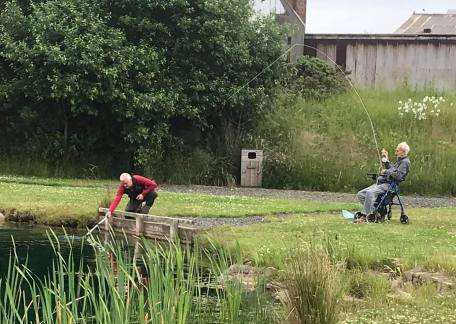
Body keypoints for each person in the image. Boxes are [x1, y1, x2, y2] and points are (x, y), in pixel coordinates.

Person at [355, 142, 411, 223]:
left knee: (370, 193)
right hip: (381, 183)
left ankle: (364, 216)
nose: (395, 153)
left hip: (389, 185)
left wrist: (386, 171)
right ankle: (375, 212)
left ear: (403, 152)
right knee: (360, 194)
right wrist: (386, 160)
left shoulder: (405, 162)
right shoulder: (399, 161)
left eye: (397, 151)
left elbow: (398, 176)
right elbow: (392, 169)